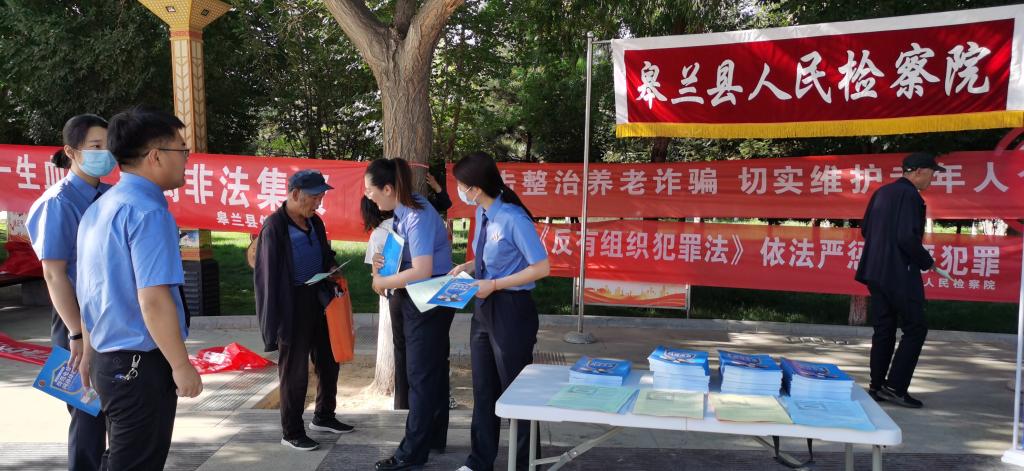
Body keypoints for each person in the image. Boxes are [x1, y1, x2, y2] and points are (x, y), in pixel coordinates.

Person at [76, 106, 202, 470]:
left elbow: (89, 291)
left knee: (120, 457)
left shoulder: (100, 207)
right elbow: (154, 299)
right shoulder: (149, 213)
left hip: (108, 360)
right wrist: (180, 365)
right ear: (156, 156)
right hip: (139, 366)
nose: (186, 159)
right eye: (182, 150)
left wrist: (89, 352)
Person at [450, 151, 550, 471]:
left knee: (517, 392)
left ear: (476, 188)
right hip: (483, 306)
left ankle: (525, 464)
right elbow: (491, 256)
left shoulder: (512, 218)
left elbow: (541, 267)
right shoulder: (482, 212)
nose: (458, 191)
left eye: (461, 185)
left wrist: (494, 284)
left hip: (511, 310)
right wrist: (468, 266)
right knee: (484, 388)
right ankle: (479, 461)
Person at [25, 114, 114, 471]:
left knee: (115, 409)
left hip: (109, 315)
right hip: (74, 317)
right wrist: (76, 333)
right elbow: (53, 272)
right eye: (95, 146)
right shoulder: (58, 202)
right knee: (87, 411)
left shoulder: (109, 195)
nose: (104, 153)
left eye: (108, 145)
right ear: (71, 151)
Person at [254, 169, 355, 451]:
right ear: (296, 194)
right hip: (292, 306)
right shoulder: (274, 227)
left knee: (329, 360)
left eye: (321, 197)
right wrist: (272, 326)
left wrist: (331, 267)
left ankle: (324, 416)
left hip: (319, 299)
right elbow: (267, 279)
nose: (319, 203)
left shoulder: (315, 222)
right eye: (315, 197)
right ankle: (292, 432)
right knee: (295, 372)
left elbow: (324, 253)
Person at [365, 158, 454, 471]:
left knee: (421, 375)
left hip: (427, 299)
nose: (369, 196)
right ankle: (432, 437)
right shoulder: (405, 210)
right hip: (423, 298)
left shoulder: (416, 214)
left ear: (389, 188)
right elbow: (406, 258)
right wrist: (383, 265)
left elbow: (422, 270)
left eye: (371, 190)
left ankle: (411, 453)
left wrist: (382, 282)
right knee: (432, 372)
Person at [855, 151, 945, 409]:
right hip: (899, 273)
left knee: (884, 328)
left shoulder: (882, 192)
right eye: (932, 174)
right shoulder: (911, 196)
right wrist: (928, 262)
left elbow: (865, 229)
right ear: (919, 171)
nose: (932, 179)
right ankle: (895, 387)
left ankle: (877, 386)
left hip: (875, 271)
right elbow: (907, 237)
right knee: (915, 328)